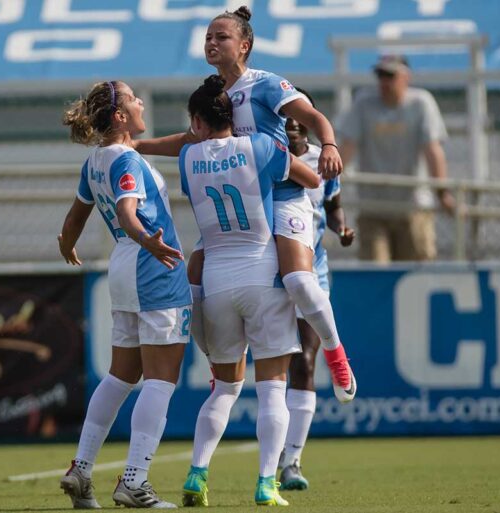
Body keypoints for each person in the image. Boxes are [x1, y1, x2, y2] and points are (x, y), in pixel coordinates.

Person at [192, 5, 356, 405]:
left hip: (283, 197)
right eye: (209, 37)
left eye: (222, 37)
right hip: (243, 207)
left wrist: (330, 143)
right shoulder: (214, 94)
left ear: (244, 45)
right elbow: (189, 138)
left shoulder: (265, 84)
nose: (212, 43)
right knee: (193, 281)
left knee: (300, 282)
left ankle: (336, 354)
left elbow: (312, 115)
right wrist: (136, 146)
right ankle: (221, 366)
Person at [178, 75, 320, 508]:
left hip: (216, 282)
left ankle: (197, 474)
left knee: (223, 389)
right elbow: (311, 181)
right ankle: (265, 483)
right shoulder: (261, 147)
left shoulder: (187, 157)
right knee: (273, 389)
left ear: (198, 122)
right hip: (262, 275)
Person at [57, 80, 192, 509]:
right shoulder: (126, 159)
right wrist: (147, 240)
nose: (139, 103)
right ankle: (134, 481)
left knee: (121, 376)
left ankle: (81, 469)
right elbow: (127, 210)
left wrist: (66, 243)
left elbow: (77, 215)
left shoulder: (96, 159)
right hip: (152, 266)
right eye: (133, 98)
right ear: (119, 116)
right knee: (161, 380)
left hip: (124, 267)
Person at [278, 112, 356, 492]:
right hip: (267, 271)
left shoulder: (322, 162)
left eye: (297, 120)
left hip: (314, 268)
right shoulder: (266, 154)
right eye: (285, 120)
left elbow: (333, 205)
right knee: (271, 366)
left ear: (308, 126)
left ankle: (291, 460)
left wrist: (341, 228)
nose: (291, 126)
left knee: (304, 361)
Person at [338, 54, 455, 262]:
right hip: (373, 207)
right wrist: (330, 183)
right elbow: (347, 146)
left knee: (417, 269)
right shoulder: (364, 103)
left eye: (390, 75)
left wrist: (442, 192)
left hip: (413, 205)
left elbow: (432, 150)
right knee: (374, 270)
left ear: (406, 77)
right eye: (381, 75)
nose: (384, 81)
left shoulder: (421, 103)